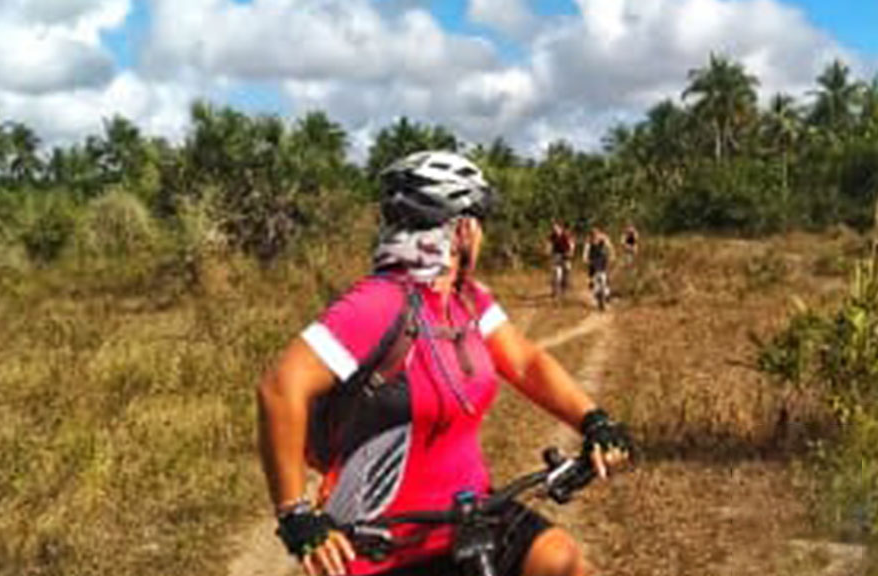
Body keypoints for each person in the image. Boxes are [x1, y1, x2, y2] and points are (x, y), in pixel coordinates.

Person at [258, 151, 632, 576]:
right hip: (381, 543)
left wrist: (594, 420)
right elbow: (280, 387)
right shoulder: (380, 302)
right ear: (462, 230)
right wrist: (295, 514)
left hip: (470, 515)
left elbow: (525, 363)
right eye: (479, 224)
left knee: (562, 560)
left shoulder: (466, 299)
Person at [583, 228, 614, 307]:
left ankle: (607, 296)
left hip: (602, 260)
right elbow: (586, 251)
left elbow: (610, 247)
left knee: (605, 278)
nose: (595, 237)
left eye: (596, 235)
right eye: (593, 235)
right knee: (592, 279)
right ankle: (594, 295)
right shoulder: (589, 242)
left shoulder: (604, 239)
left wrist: (612, 255)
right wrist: (585, 258)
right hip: (593, 261)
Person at [547, 221, 575, 298]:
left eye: (556, 228)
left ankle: (564, 289)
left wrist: (571, 252)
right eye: (554, 228)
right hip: (556, 254)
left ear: (561, 228)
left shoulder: (566, 235)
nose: (555, 230)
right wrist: (548, 251)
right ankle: (555, 290)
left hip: (566, 254)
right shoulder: (552, 236)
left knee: (567, 270)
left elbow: (572, 244)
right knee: (555, 272)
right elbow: (549, 244)